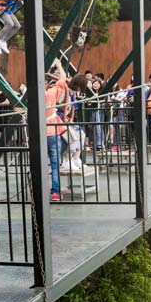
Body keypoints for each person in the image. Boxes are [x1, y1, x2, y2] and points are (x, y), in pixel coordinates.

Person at [45, 59, 89, 201]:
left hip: (48, 130)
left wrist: (58, 65)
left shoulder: (54, 90)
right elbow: (63, 78)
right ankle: (67, 161)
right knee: (55, 162)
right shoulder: (56, 92)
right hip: (53, 130)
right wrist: (59, 65)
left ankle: (73, 158)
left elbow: (63, 78)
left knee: (77, 136)